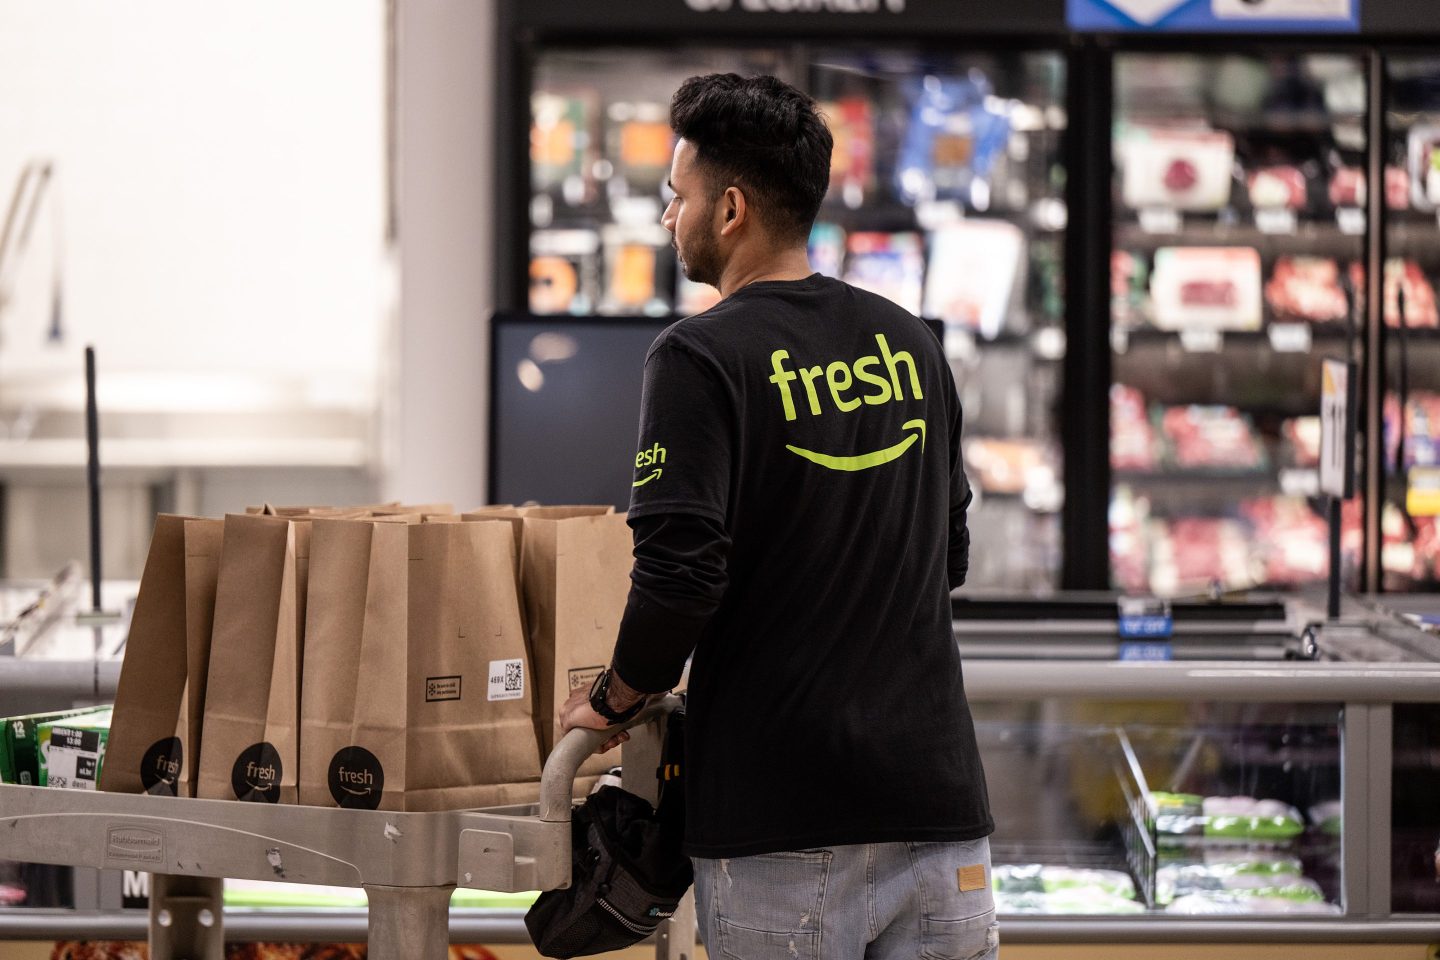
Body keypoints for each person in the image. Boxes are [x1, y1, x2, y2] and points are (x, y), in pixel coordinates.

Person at [559, 72, 995, 960]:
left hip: (781, 824)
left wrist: (613, 698)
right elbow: (946, 555)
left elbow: (680, 573)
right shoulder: (913, 342)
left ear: (729, 210)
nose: (667, 218)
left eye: (675, 197)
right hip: (940, 809)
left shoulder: (698, 356)